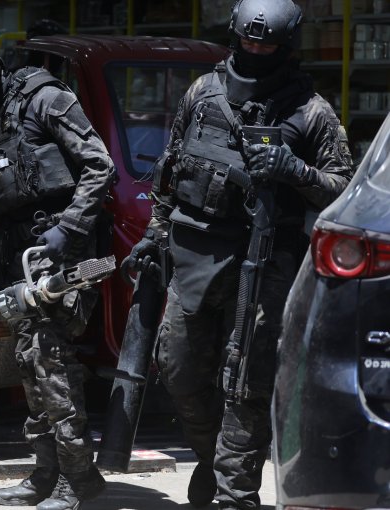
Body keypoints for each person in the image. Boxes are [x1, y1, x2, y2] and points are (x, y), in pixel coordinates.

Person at [124, 1, 354, 509]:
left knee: (247, 387)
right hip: (192, 255)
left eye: (265, 44)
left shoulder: (310, 111)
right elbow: (170, 172)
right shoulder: (202, 93)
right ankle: (211, 460)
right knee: (179, 369)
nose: (254, 50)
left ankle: (235, 494)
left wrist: (293, 168)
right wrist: (153, 236)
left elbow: (342, 190)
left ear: (285, 46)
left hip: (265, 259)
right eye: (248, 41)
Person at [0, 39, 116, 509]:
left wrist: (69, 227)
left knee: (49, 361)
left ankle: (77, 480)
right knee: (28, 363)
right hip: (20, 265)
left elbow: (100, 166)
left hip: (64, 259)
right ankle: (46, 471)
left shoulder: (47, 100)